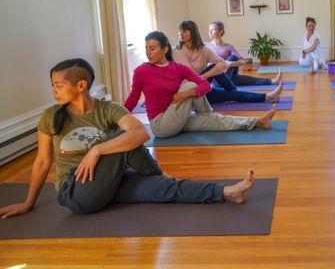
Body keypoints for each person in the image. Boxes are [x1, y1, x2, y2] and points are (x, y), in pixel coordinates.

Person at [0, 59, 256, 218]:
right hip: (77, 192)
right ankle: (158, 174)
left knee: (167, 188)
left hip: (111, 181)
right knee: (124, 138)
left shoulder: (108, 109)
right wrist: (27, 202)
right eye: (53, 84)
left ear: (81, 85)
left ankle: (227, 192)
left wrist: (96, 150)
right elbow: (42, 162)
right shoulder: (50, 116)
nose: (53, 90)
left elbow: (142, 133)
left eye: (58, 84)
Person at [125, 31, 279, 139]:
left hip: (178, 116)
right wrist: (118, 118)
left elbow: (205, 86)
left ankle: (259, 121)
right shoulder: (141, 71)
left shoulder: (178, 68)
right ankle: (208, 113)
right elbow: (133, 97)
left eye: (152, 48)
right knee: (190, 85)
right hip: (161, 125)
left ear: (164, 49)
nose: (148, 52)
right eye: (146, 48)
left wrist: (185, 95)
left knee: (215, 120)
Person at [172, 20, 282, 104]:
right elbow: (188, 76)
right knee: (229, 85)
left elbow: (224, 63)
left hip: (204, 87)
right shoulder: (176, 51)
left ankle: (268, 97)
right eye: (179, 30)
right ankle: (264, 89)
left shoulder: (203, 49)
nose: (181, 33)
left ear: (193, 33)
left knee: (232, 94)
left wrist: (205, 76)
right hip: (189, 92)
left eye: (185, 31)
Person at [206, 20, 282, 86]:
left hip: (226, 76)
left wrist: (230, 63)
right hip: (214, 78)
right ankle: (272, 81)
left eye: (213, 29)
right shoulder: (205, 45)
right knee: (237, 77)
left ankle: (273, 81)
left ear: (221, 31)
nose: (210, 32)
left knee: (234, 60)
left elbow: (243, 62)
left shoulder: (228, 47)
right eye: (210, 30)